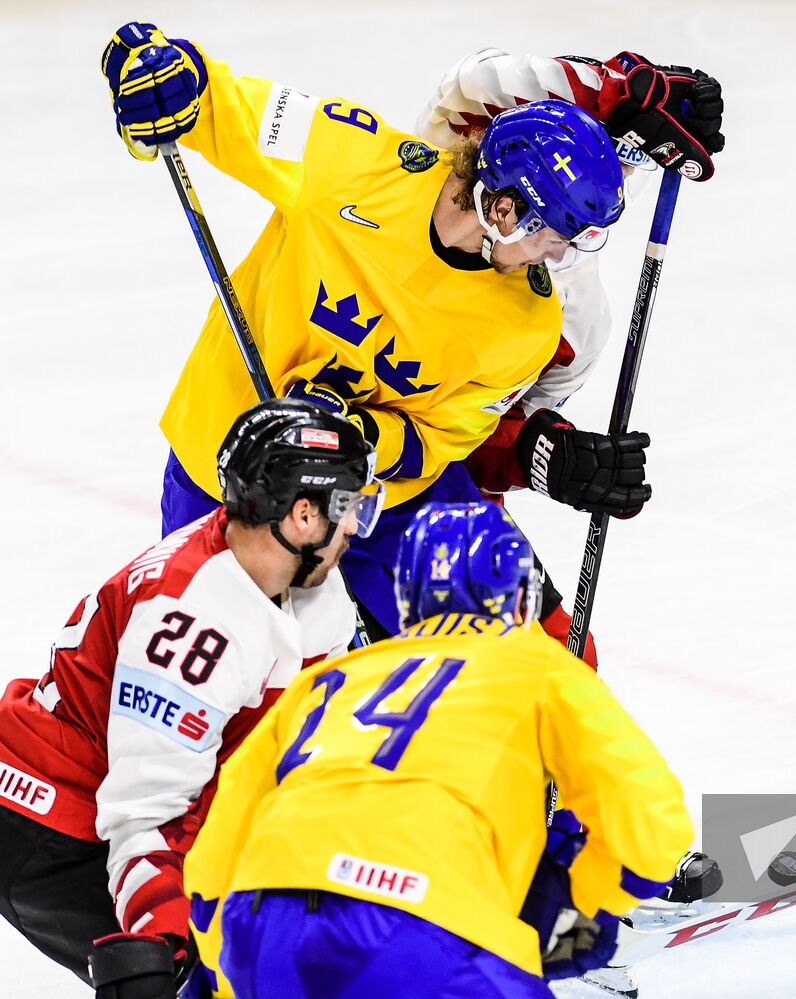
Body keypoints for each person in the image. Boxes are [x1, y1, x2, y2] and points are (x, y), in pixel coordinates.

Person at [99, 22, 643, 640]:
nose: (557, 257)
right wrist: (170, 86)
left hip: (383, 499)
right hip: (229, 473)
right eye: (553, 236)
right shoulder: (351, 158)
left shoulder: (528, 324)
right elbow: (221, 107)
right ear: (504, 208)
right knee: (238, 676)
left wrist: (352, 434)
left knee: (534, 652)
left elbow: (439, 441)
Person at [183, 502, 693, 999]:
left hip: (265, 925)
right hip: (422, 931)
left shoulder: (324, 681)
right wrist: (580, 900)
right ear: (522, 600)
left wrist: (224, 973)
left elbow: (213, 860)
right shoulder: (538, 666)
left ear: (406, 598)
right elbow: (651, 828)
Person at [0, 398, 382, 997]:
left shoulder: (309, 585)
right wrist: (163, 940)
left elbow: (316, 747)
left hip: (148, 797)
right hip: (56, 823)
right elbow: (144, 815)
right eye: (349, 505)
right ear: (303, 514)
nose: (358, 525)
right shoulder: (192, 620)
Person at [414, 49, 725, 665]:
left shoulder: (575, 327)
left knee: (551, 672)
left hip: (407, 479)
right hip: (301, 437)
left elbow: (469, 444)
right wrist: (617, 91)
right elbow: (477, 83)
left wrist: (548, 457)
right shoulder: (457, 167)